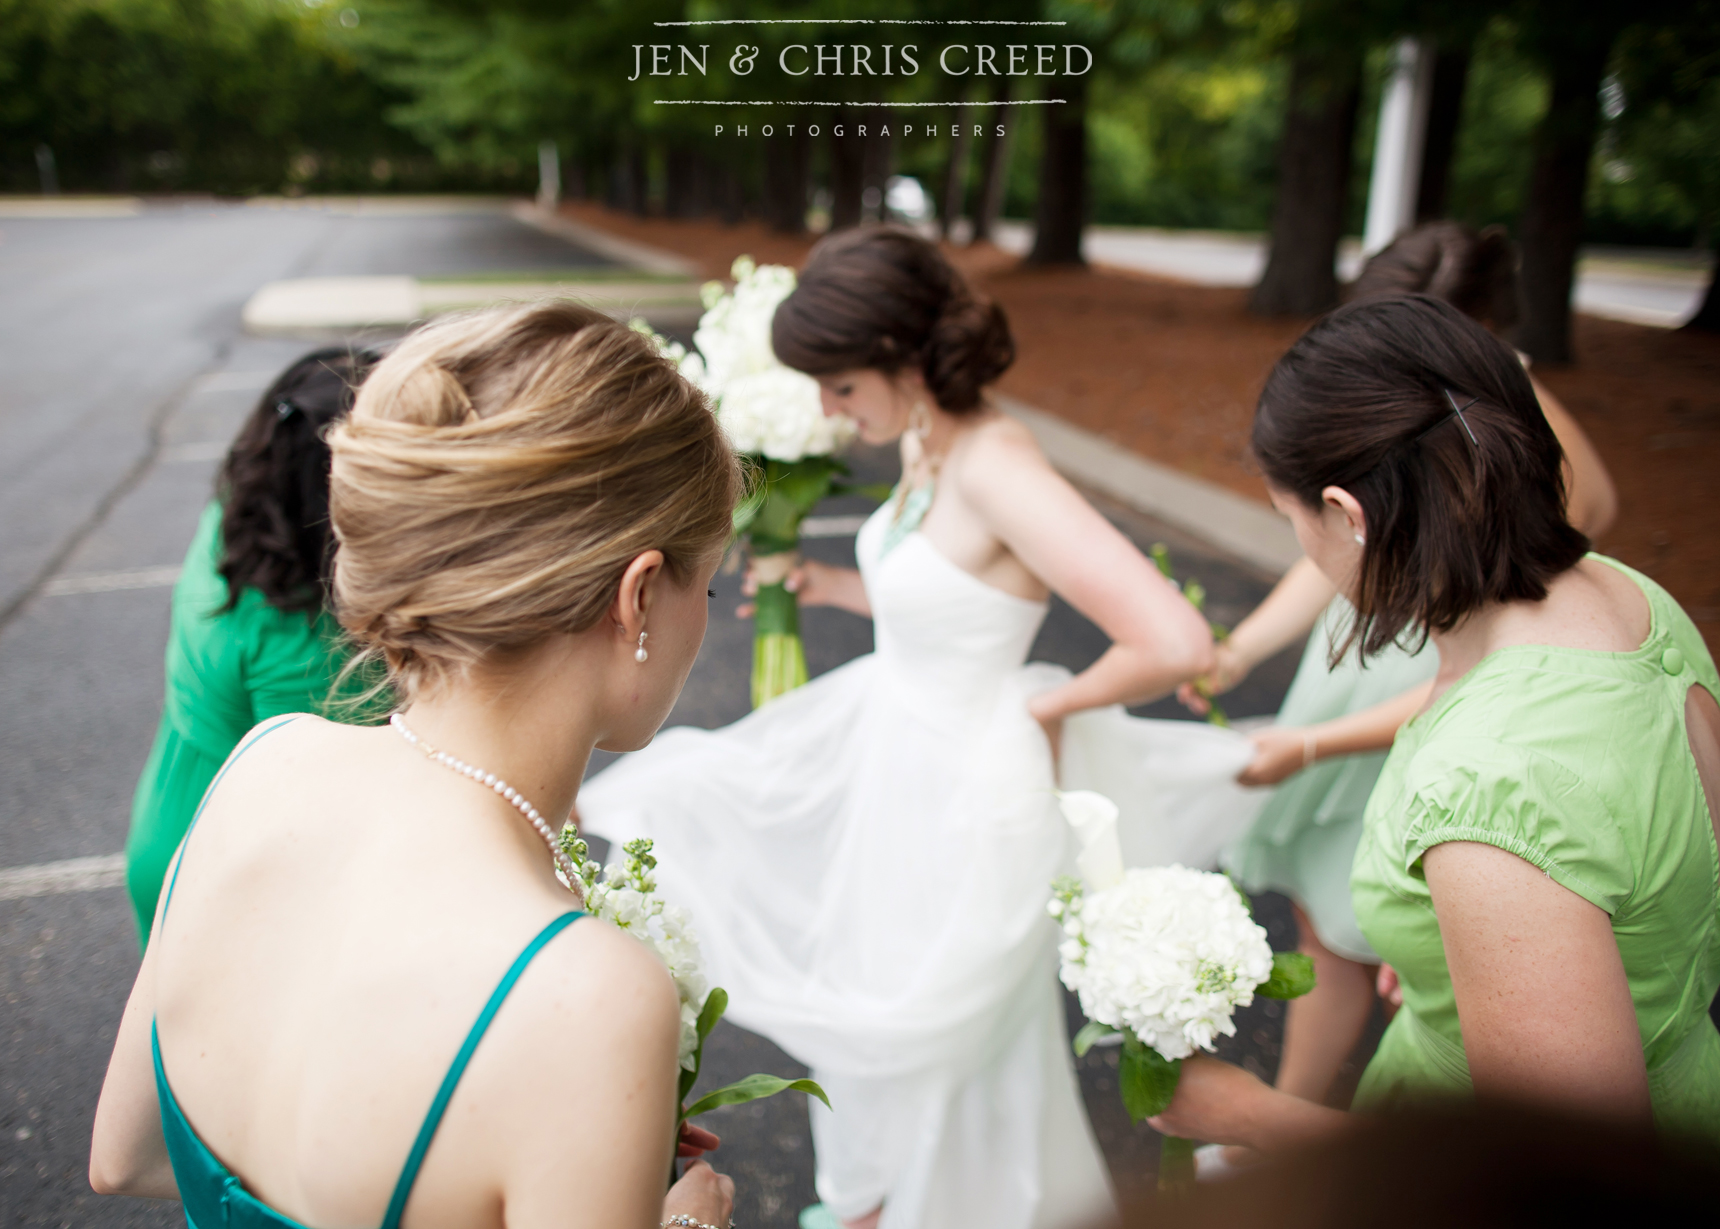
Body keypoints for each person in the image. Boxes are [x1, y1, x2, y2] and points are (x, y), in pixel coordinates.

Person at [576, 229, 1223, 1229]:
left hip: (972, 786)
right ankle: (881, 1201)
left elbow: (1173, 636)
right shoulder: (927, 438)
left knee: (943, 1039)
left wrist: (1042, 704)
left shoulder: (1000, 464)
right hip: (895, 757)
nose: (831, 411)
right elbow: (963, 597)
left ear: (901, 354)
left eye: (837, 385)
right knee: (869, 993)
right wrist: (834, 580)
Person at [90, 302, 741, 1229]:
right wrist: (684, 1220)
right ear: (637, 596)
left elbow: (125, 1155)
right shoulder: (587, 995)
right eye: (705, 581)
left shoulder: (262, 763)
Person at [1147, 294, 1720, 1152]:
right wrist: (1455, 960)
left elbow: (1560, 1179)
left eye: (1289, 519)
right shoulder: (1628, 596)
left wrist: (1249, 1117)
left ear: (1347, 514)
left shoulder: (1491, 787)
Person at [125, 348, 385, 943]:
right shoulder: (310, 649)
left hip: (171, 812)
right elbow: (337, 819)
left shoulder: (237, 519)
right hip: (225, 870)